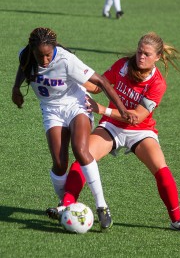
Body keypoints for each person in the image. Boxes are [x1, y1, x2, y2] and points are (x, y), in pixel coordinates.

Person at [49, 32, 180, 234]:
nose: (141, 57)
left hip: (141, 131)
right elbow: (95, 86)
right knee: (83, 157)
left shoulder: (157, 84)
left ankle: (176, 220)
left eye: (146, 54)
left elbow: (136, 117)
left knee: (162, 170)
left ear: (157, 57)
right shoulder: (122, 66)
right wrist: (71, 70)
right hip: (112, 126)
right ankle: (66, 204)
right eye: (139, 52)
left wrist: (102, 109)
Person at [11, 27, 136, 231]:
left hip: (76, 105)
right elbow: (23, 67)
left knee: (81, 150)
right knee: (60, 164)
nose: (44, 60)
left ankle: (102, 207)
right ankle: (65, 207)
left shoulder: (67, 60)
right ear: (32, 50)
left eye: (48, 55)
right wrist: (16, 88)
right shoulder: (26, 55)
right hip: (51, 112)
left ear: (54, 49)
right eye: (39, 55)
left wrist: (122, 110)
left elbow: (102, 82)